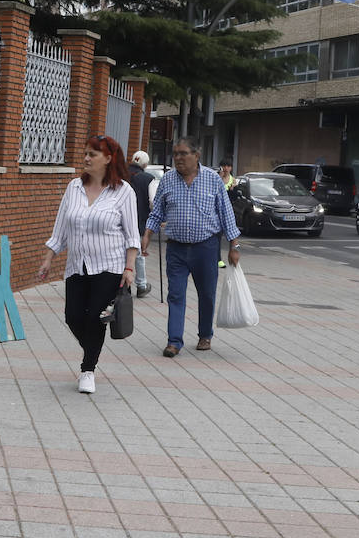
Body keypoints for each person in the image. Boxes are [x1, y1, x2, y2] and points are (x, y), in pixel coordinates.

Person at [35, 134, 140, 395]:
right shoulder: (74, 188)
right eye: (85, 153)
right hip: (77, 266)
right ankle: (93, 349)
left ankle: (87, 369)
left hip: (109, 266)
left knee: (94, 318)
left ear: (108, 158)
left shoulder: (123, 192)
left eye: (92, 154)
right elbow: (61, 229)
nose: (86, 158)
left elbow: (131, 235)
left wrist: (130, 267)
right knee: (72, 316)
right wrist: (49, 257)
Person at [142, 137, 241, 358]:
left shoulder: (213, 180)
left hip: (206, 248)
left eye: (183, 153)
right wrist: (147, 234)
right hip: (176, 249)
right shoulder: (167, 180)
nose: (178, 158)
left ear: (196, 156)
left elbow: (226, 214)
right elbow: (157, 211)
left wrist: (235, 246)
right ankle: (174, 341)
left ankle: (205, 334)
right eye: (175, 154)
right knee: (175, 295)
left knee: (206, 294)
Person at [127, 151, 154, 298]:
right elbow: (152, 202)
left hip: (120, 220)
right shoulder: (149, 179)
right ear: (145, 164)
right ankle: (142, 285)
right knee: (138, 253)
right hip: (139, 221)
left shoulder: (122, 174)